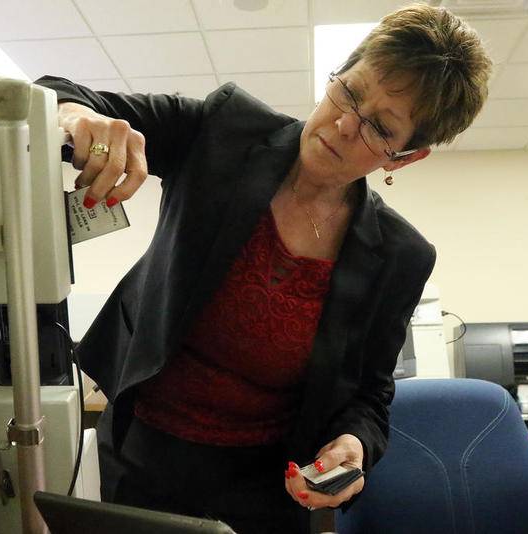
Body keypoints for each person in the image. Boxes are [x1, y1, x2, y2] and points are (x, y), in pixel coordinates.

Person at [37, 4, 491, 533]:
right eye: (349, 91)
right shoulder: (226, 131)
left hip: (271, 484)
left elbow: (370, 395)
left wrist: (353, 445)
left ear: (404, 157)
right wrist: (76, 118)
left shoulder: (400, 255)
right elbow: (55, 91)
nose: (344, 124)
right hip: (144, 447)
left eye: (378, 127)